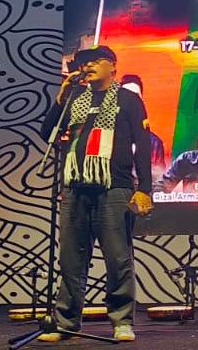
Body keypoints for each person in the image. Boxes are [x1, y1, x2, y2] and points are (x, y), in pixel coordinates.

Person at [39, 45, 152, 342]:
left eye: (94, 61)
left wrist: (144, 189)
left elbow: (143, 144)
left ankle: (122, 322)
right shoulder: (74, 99)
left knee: (118, 258)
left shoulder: (128, 99)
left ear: (112, 66)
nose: (87, 66)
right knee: (70, 260)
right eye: (83, 63)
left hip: (115, 187)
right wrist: (60, 99)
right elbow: (47, 134)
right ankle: (66, 323)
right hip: (75, 188)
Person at [119, 74, 166, 177]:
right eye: (126, 95)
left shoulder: (154, 143)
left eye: (135, 96)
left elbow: (158, 180)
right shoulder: (103, 136)